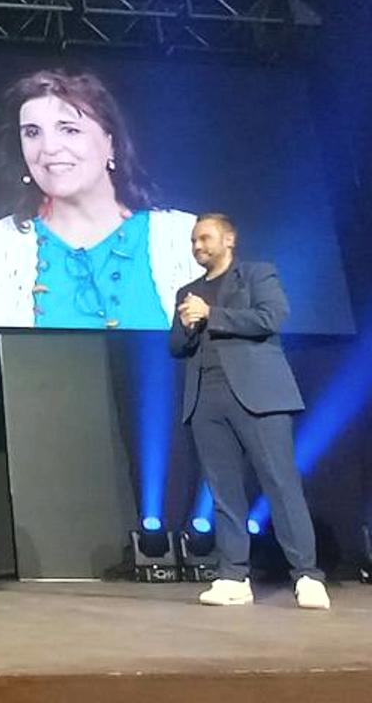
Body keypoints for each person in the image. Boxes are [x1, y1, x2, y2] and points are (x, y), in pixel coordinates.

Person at [0, 69, 197, 329]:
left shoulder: (182, 237)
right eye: (32, 133)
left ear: (111, 143)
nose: (49, 148)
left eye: (69, 130)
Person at [170, 213, 329, 609]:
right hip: (206, 397)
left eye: (204, 238)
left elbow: (270, 318)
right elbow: (175, 346)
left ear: (229, 239)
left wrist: (212, 315)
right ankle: (232, 577)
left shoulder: (258, 275)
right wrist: (188, 326)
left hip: (259, 395)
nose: (197, 247)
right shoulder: (187, 291)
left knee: (280, 483)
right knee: (224, 493)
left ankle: (307, 575)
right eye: (193, 241)